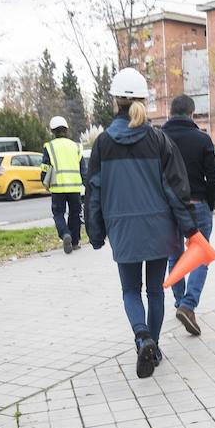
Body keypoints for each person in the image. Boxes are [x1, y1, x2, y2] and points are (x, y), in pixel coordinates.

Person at [86, 67, 198, 378]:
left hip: (123, 229)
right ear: (143, 101)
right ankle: (155, 346)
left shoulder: (103, 144)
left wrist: (95, 233)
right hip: (160, 229)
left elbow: (94, 191)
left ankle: (142, 336)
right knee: (156, 292)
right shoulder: (159, 140)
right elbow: (177, 188)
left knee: (130, 291)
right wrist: (191, 229)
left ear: (115, 101)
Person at [162, 95, 215, 335]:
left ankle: (179, 301)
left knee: (174, 256)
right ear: (192, 114)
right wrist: (210, 202)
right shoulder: (202, 139)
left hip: (168, 208)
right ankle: (188, 304)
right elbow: (213, 175)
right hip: (197, 205)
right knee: (200, 256)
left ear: (171, 112)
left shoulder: (159, 138)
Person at [42, 115, 86, 252]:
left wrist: (44, 182)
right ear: (66, 130)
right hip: (74, 187)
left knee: (58, 214)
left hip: (57, 187)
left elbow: (45, 167)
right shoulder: (76, 146)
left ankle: (65, 234)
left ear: (52, 131)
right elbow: (83, 169)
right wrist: (87, 185)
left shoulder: (49, 147)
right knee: (75, 213)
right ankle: (74, 242)